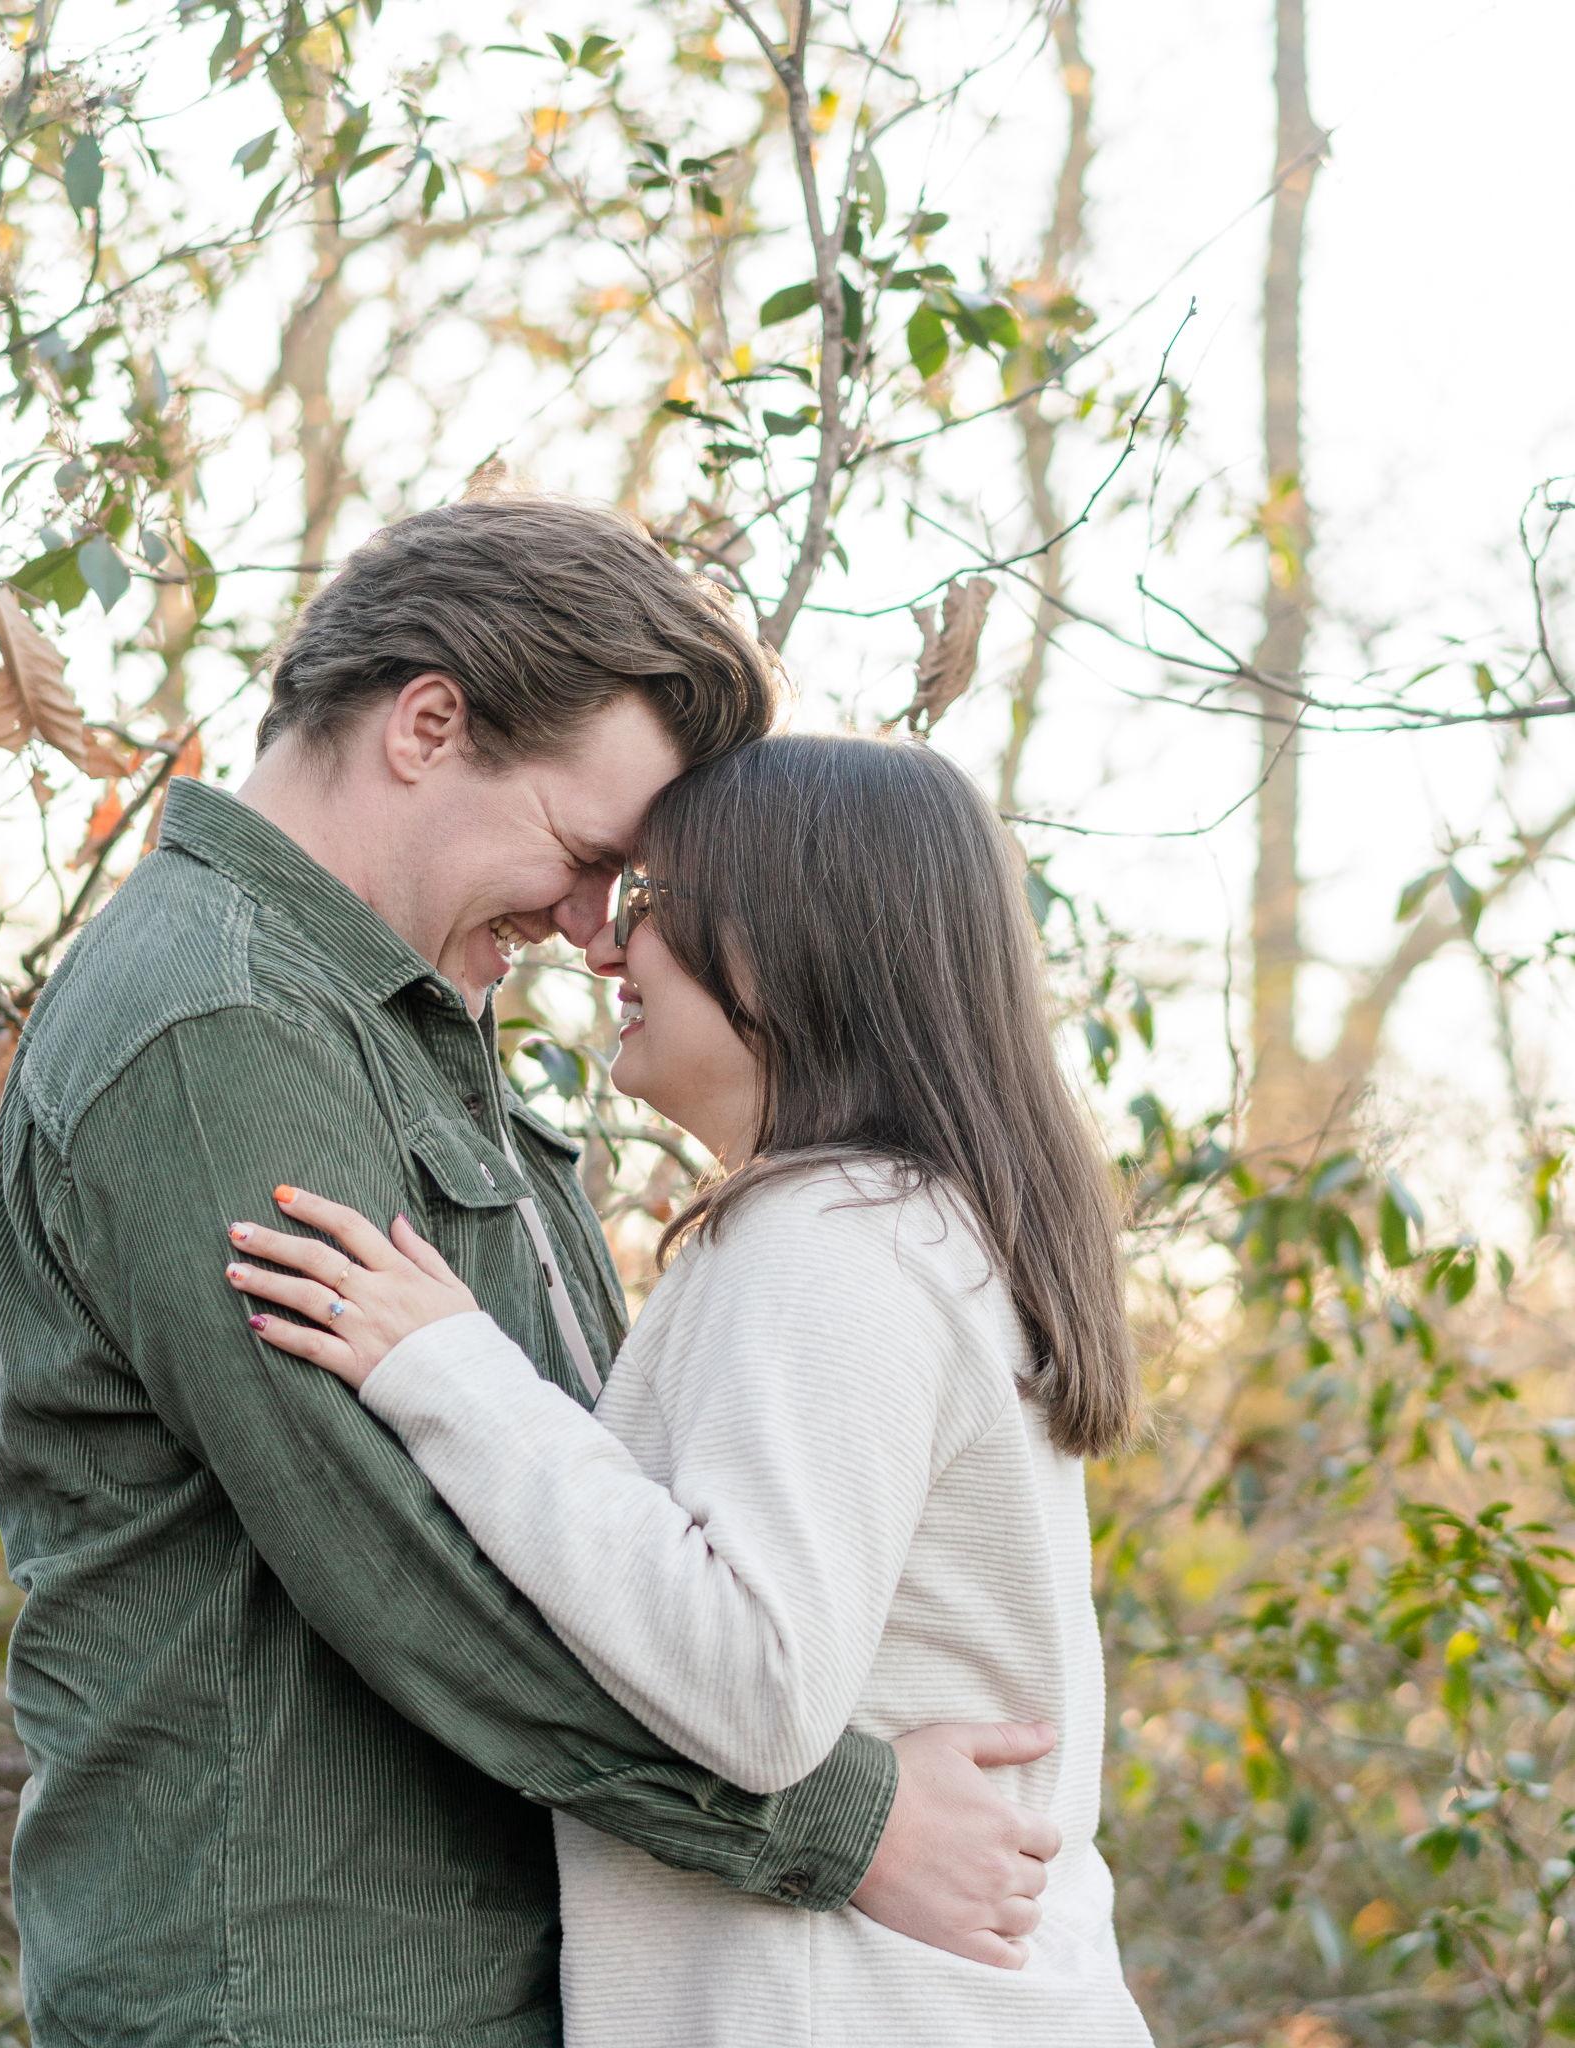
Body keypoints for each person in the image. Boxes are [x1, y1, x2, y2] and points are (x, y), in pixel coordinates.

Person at [0, 498, 1063, 2048]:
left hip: (480, 1977)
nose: (584, 926)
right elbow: (411, 1562)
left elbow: (596, 1519)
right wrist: (845, 1826)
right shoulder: (219, 1033)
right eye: (581, 855)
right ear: (427, 724)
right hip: (304, 1992)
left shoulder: (397, 1033)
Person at [224, 731, 1155, 2046]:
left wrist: (450, 1374)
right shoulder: (915, 1227)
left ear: (785, 944)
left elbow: (753, 1684)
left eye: (650, 904)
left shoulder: (837, 1235)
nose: (604, 947)